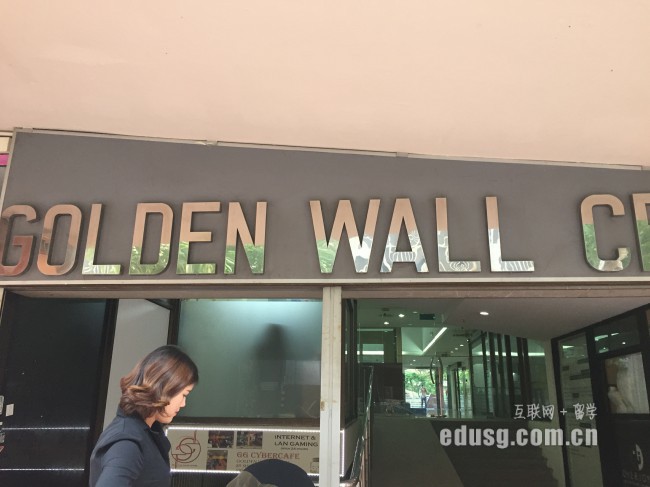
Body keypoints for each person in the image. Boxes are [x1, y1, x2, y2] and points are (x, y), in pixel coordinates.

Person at [89, 345, 199, 487]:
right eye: (184, 394)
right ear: (165, 387)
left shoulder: (144, 433)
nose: (183, 403)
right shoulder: (128, 441)